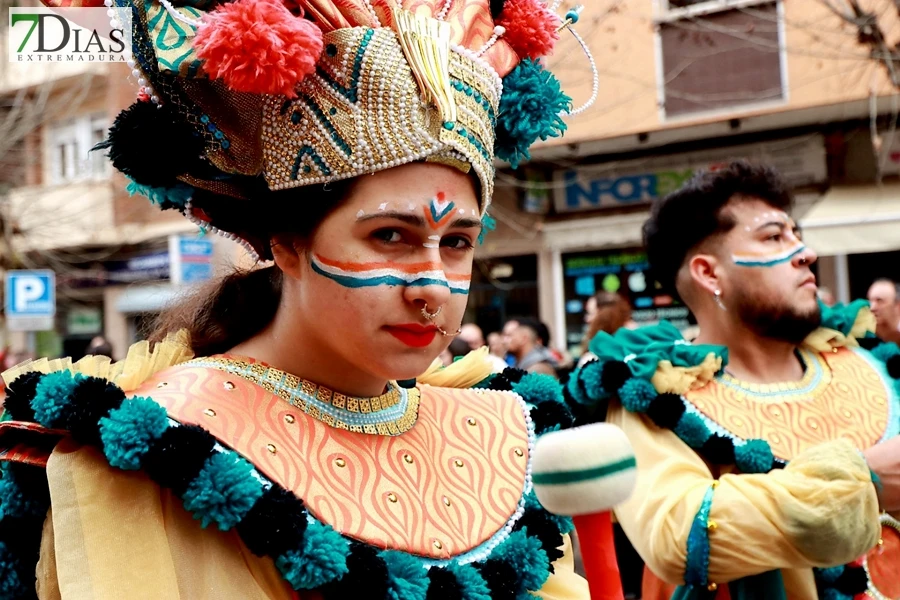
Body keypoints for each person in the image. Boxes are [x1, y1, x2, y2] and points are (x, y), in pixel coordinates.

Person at [0, 1, 624, 598]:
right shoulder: (162, 447)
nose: (433, 284)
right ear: (290, 245)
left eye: (457, 241)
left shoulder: (495, 424)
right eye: (388, 236)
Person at [566, 161, 900, 599]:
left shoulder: (866, 362)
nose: (806, 252)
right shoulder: (658, 394)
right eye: (774, 236)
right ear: (709, 273)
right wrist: (863, 479)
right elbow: (676, 535)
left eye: (796, 234)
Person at [578, 292, 632, 367]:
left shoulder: (592, 359)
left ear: (605, 317)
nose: (587, 319)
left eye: (590, 313)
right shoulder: (640, 343)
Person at [867, 278, 900, 345]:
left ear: (897, 305)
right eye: (870, 301)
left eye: (879, 301)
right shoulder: (865, 341)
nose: (872, 308)